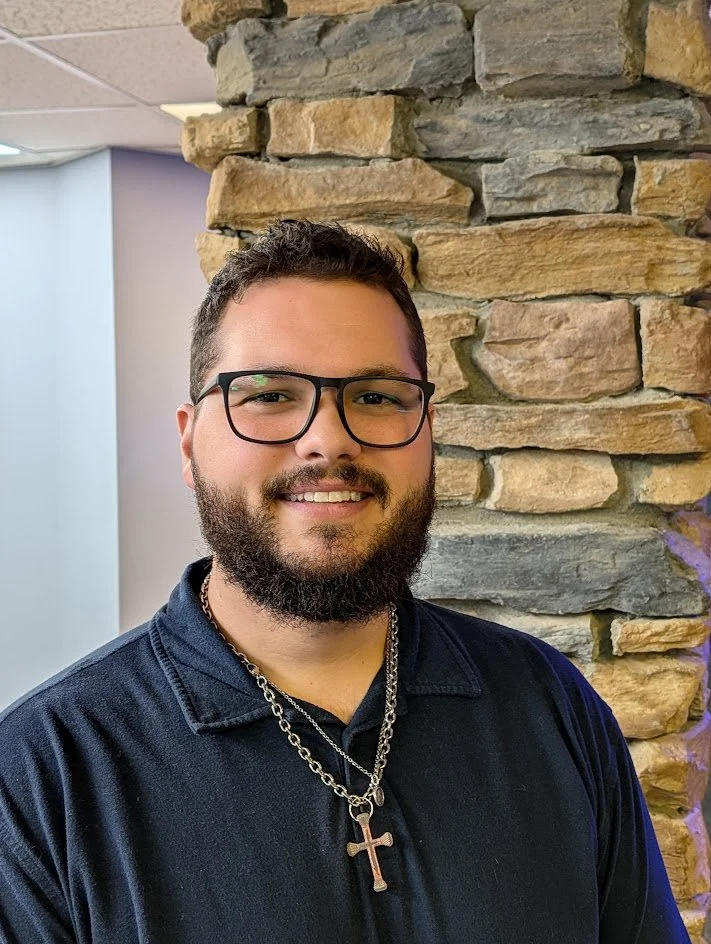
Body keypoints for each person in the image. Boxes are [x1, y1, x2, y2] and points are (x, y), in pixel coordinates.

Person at [0, 220, 691, 943]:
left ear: (428, 432)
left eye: (376, 396)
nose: (328, 439)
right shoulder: (49, 771)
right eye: (267, 395)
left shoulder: (548, 704)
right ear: (188, 440)